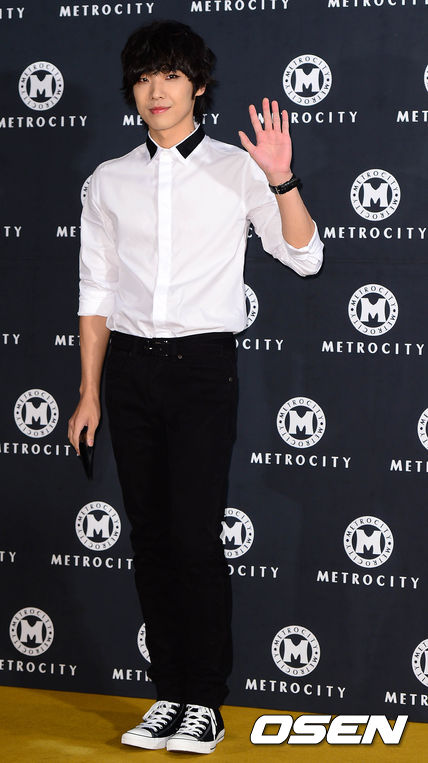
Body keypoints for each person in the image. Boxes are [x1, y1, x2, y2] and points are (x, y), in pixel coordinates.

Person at [68, 20, 323, 756]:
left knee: (193, 538)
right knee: (150, 540)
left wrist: (281, 179)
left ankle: (204, 701)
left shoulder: (236, 170)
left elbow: (304, 256)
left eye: (172, 75)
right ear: (132, 89)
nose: (157, 90)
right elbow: (95, 290)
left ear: (199, 86)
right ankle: (169, 695)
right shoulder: (108, 181)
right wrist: (89, 392)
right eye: (146, 77)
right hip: (129, 371)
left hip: (202, 369)